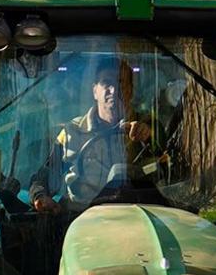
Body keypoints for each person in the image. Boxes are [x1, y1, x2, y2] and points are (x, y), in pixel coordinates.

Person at [29, 56, 165, 213]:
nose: (114, 90)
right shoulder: (71, 132)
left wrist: (147, 136)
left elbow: (169, 167)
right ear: (95, 91)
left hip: (135, 215)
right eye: (107, 83)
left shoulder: (148, 126)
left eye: (120, 82)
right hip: (80, 216)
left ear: (130, 89)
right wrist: (40, 196)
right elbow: (45, 175)